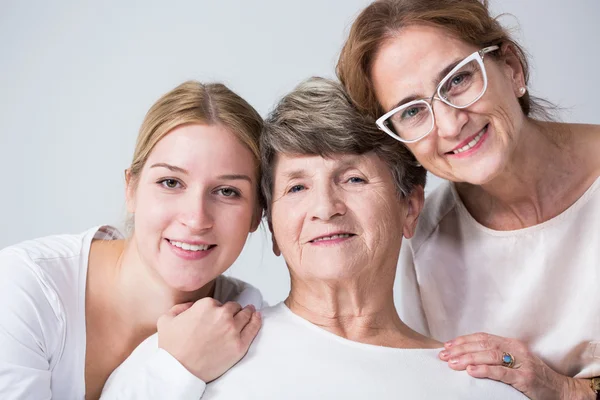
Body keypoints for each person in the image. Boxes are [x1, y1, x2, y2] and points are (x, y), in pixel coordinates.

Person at [104, 76, 526, 399]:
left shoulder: (479, 384)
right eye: (297, 187)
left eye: (354, 178)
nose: (325, 208)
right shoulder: (187, 356)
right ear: (271, 227)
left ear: (409, 207)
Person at [336, 0, 600, 398]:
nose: (450, 123)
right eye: (411, 112)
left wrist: (564, 390)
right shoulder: (422, 246)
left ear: (511, 68)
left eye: (458, 80)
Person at [0, 80, 265, 400]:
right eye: (171, 182)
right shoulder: (24, 287)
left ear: (257, 214)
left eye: (227, 191)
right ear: (131, 189)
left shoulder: (240, 320)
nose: (196, 219)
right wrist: (176, 369)